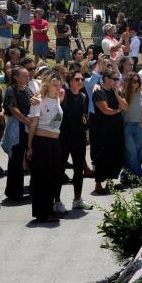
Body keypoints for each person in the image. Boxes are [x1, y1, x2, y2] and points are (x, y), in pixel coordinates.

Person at [27, 72, 64, 222]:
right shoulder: (38, 101)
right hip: (42, 142)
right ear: (47, 84)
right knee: (42, 178)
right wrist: (29, 146)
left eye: (59, 85)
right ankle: (41, 213)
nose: (58, 87)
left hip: (55, 142)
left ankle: (49, 210)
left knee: (54, 177)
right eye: (55, 85)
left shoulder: (57, 99)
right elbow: (33, 124)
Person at [91, 69, 126, 195]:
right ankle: (98, 185)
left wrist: (116, 93)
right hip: (104, 129)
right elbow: (105, 110)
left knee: (116, 154)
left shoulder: (116, 91)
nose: (117, 81)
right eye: (115, 79)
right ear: (106, 79)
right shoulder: (98, 92)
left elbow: (125, 106)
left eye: (118, 79)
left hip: (117, 128)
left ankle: (110, 183)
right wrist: (117, 111)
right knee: (103, 156)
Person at [60, 69, 90, 210]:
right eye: (77, 79)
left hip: (79, 138)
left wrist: (86, 135)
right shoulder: (63, 93)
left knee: (79, 169)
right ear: (70, 81)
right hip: (64, 137)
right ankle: (56, 201)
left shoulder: (83, 96)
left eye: (82, 79)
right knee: (59, 169)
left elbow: (84, 118)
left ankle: (77, 199)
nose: (80, 81)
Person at [4, 65, 32, 201]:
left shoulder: (28, 90)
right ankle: (14, 192)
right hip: (17, 128)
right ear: (15, 77)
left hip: (29, 128)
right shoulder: (11, 90)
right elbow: (13, 109)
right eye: (24, 75)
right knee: (16, 160)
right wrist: (27, 121)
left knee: (32, 158)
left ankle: (34, 187)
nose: (28, 77)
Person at [121, 73, 142, 181]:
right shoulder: (122, 94)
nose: (135, 83)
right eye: (133, 81)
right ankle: (140, 176)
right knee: (131, 152)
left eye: (137, 81)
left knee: (139, 153)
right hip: (126, 126)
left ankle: (127, 175)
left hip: (139, 126)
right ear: (128, 82)